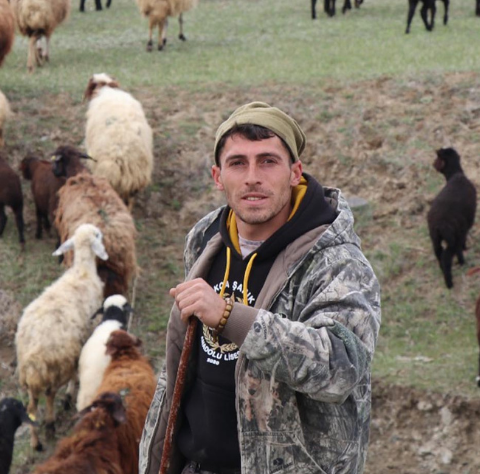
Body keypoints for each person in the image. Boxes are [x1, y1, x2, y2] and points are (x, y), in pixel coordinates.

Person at [138, 102, 382, 474]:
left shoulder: (338, 263)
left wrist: (229, 316)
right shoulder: (205, 240)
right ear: (218, 177)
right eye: (238, 163)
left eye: (268, 161)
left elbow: (340, 368)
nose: (253, 177)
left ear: (295, 173)